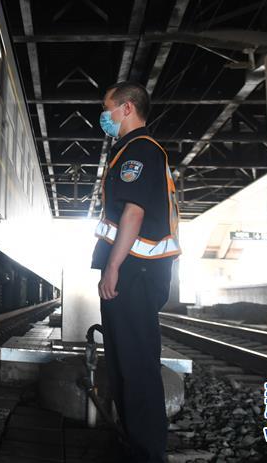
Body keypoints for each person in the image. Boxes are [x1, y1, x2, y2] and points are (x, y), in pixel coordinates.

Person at [91, 81, 181, 463]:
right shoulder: (130, 150)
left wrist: (113, 267)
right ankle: (133, 445)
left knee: (137, 366)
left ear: (126, 108)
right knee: (122, 364)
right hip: (133, 272)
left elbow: (134, 212)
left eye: (107, 108)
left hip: (135, 273)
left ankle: (146, 454)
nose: (104, 116)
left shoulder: (141, 150)